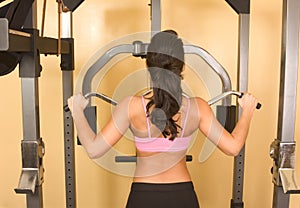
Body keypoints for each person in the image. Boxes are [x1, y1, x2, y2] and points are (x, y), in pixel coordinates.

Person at [67, 30, 258, 208]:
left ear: (148, 65)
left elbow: (93, 149)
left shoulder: (130, 107)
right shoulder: (197, 108)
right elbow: (233, 148)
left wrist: (77, 111)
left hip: (143, 197)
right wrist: (247, 110)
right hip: (183, 197)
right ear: (181, 66)